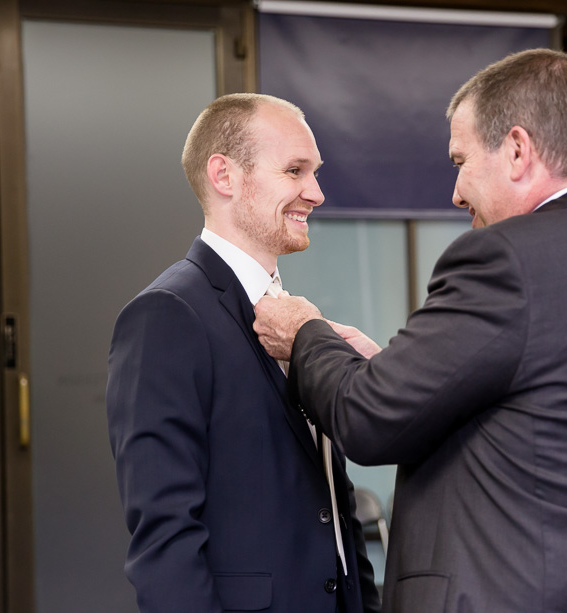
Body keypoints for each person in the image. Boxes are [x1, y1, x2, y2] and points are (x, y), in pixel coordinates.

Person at [253, 49, 567, 613]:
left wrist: (304, 333)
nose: (456, 192)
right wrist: (387, 370)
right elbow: (537, 420)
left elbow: (368, 420)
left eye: (460, 161)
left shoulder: (510, 258)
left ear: (517, 150)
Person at [106, 93, 380, 613]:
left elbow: (334, 506)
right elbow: (165, 541)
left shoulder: (300, 317)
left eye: (315, 173)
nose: (317, 193)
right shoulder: (166, 316)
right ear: (224, 176)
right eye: (295, 170)